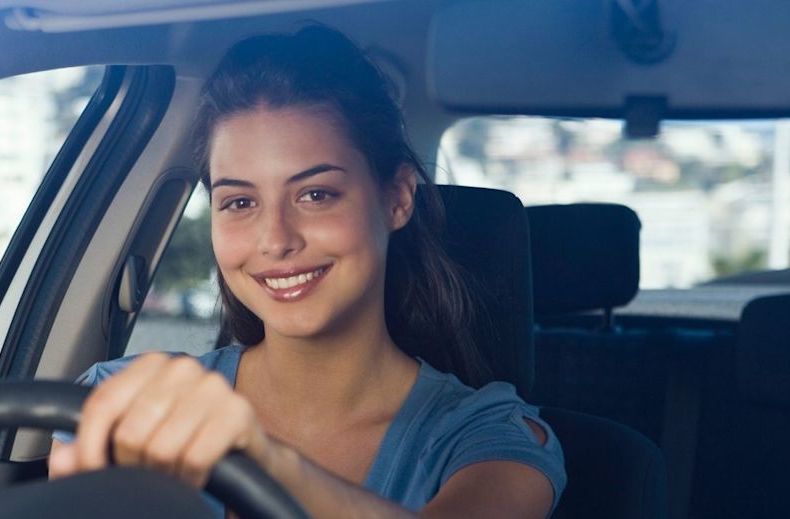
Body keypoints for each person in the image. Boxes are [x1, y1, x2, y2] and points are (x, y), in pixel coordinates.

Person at [49, 24, 565, 519]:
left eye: (316, 195)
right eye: (240, 201)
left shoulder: (489, 437)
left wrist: (258, 462)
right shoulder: (119, 400)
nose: (276, 239)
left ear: (398, 197)